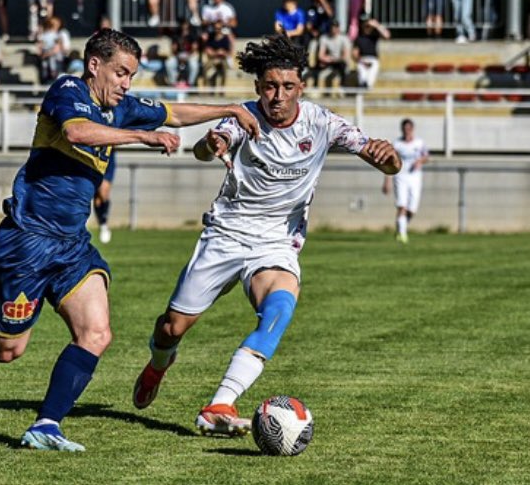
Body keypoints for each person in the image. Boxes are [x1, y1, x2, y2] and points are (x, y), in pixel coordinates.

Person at [0, 28, 259, 452]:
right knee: (7, 349)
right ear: (95, 66)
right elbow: (77, 133)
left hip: (71, 245)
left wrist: (231, 109)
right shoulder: (67, 90)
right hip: (26, 241)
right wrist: (143, 137)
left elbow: (172, 113)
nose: (127, 84)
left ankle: (46, 425)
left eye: (132, 75)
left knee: (96, 333)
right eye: (121, 73)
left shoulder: (120, 107)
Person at [132, 33, 401, 436]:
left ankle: (220, 402)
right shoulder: (242, 116)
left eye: (287, 87)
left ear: (301, 88)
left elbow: (387, 163)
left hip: (277, 241)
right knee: (171, 328)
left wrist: (389, 157)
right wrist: (212, 143)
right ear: (258, 87)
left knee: (278, 311)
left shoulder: (323, 122)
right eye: (270, 86)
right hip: (227, 233)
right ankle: (158, 364)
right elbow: (208, 148)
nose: (278, 95)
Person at [382, 119, 428, 244]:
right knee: (402, 205)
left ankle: (401, 227)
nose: (406, 131)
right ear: (402, 130)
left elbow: (426, 156)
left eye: (409, 129)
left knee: (412, 209)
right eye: (404, 129)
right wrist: (387, 181)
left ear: (412, 129)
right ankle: (402, 235)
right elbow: (389, 163)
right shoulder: (397, 144)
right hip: (400, 177)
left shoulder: (419, 143)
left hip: (415, 178)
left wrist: (419, 161)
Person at [352, 14, 389, 89]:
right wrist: (362, 62)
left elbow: (387, 36)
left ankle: (366, 85)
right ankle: (364, 84)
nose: (367, 27)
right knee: (362, 72)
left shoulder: (374, 35)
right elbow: (355, 54)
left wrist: (377, 25)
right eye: (365, 25)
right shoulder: (359, 38)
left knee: (373, 69)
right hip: (362, 60)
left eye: (368, 25)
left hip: (373, 59)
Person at [316, 20, 350, 90]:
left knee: (343, 66)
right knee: (319, 69)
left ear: (338, 28)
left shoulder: (344, 38)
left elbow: (345, 56)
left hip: (340, 63)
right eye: (332, 27)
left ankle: (342, 88)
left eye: (336, 27)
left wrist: (334, 59)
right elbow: (320, 56)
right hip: (330, 62)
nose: (334, 29)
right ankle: (318, 90)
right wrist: (328, 59)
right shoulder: (324, 38)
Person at [93, 151, 116, 244]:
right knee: (96, 197)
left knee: (103, 192)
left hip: (107, 155)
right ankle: (102, 224)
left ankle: (104, 224)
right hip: (91, 154)